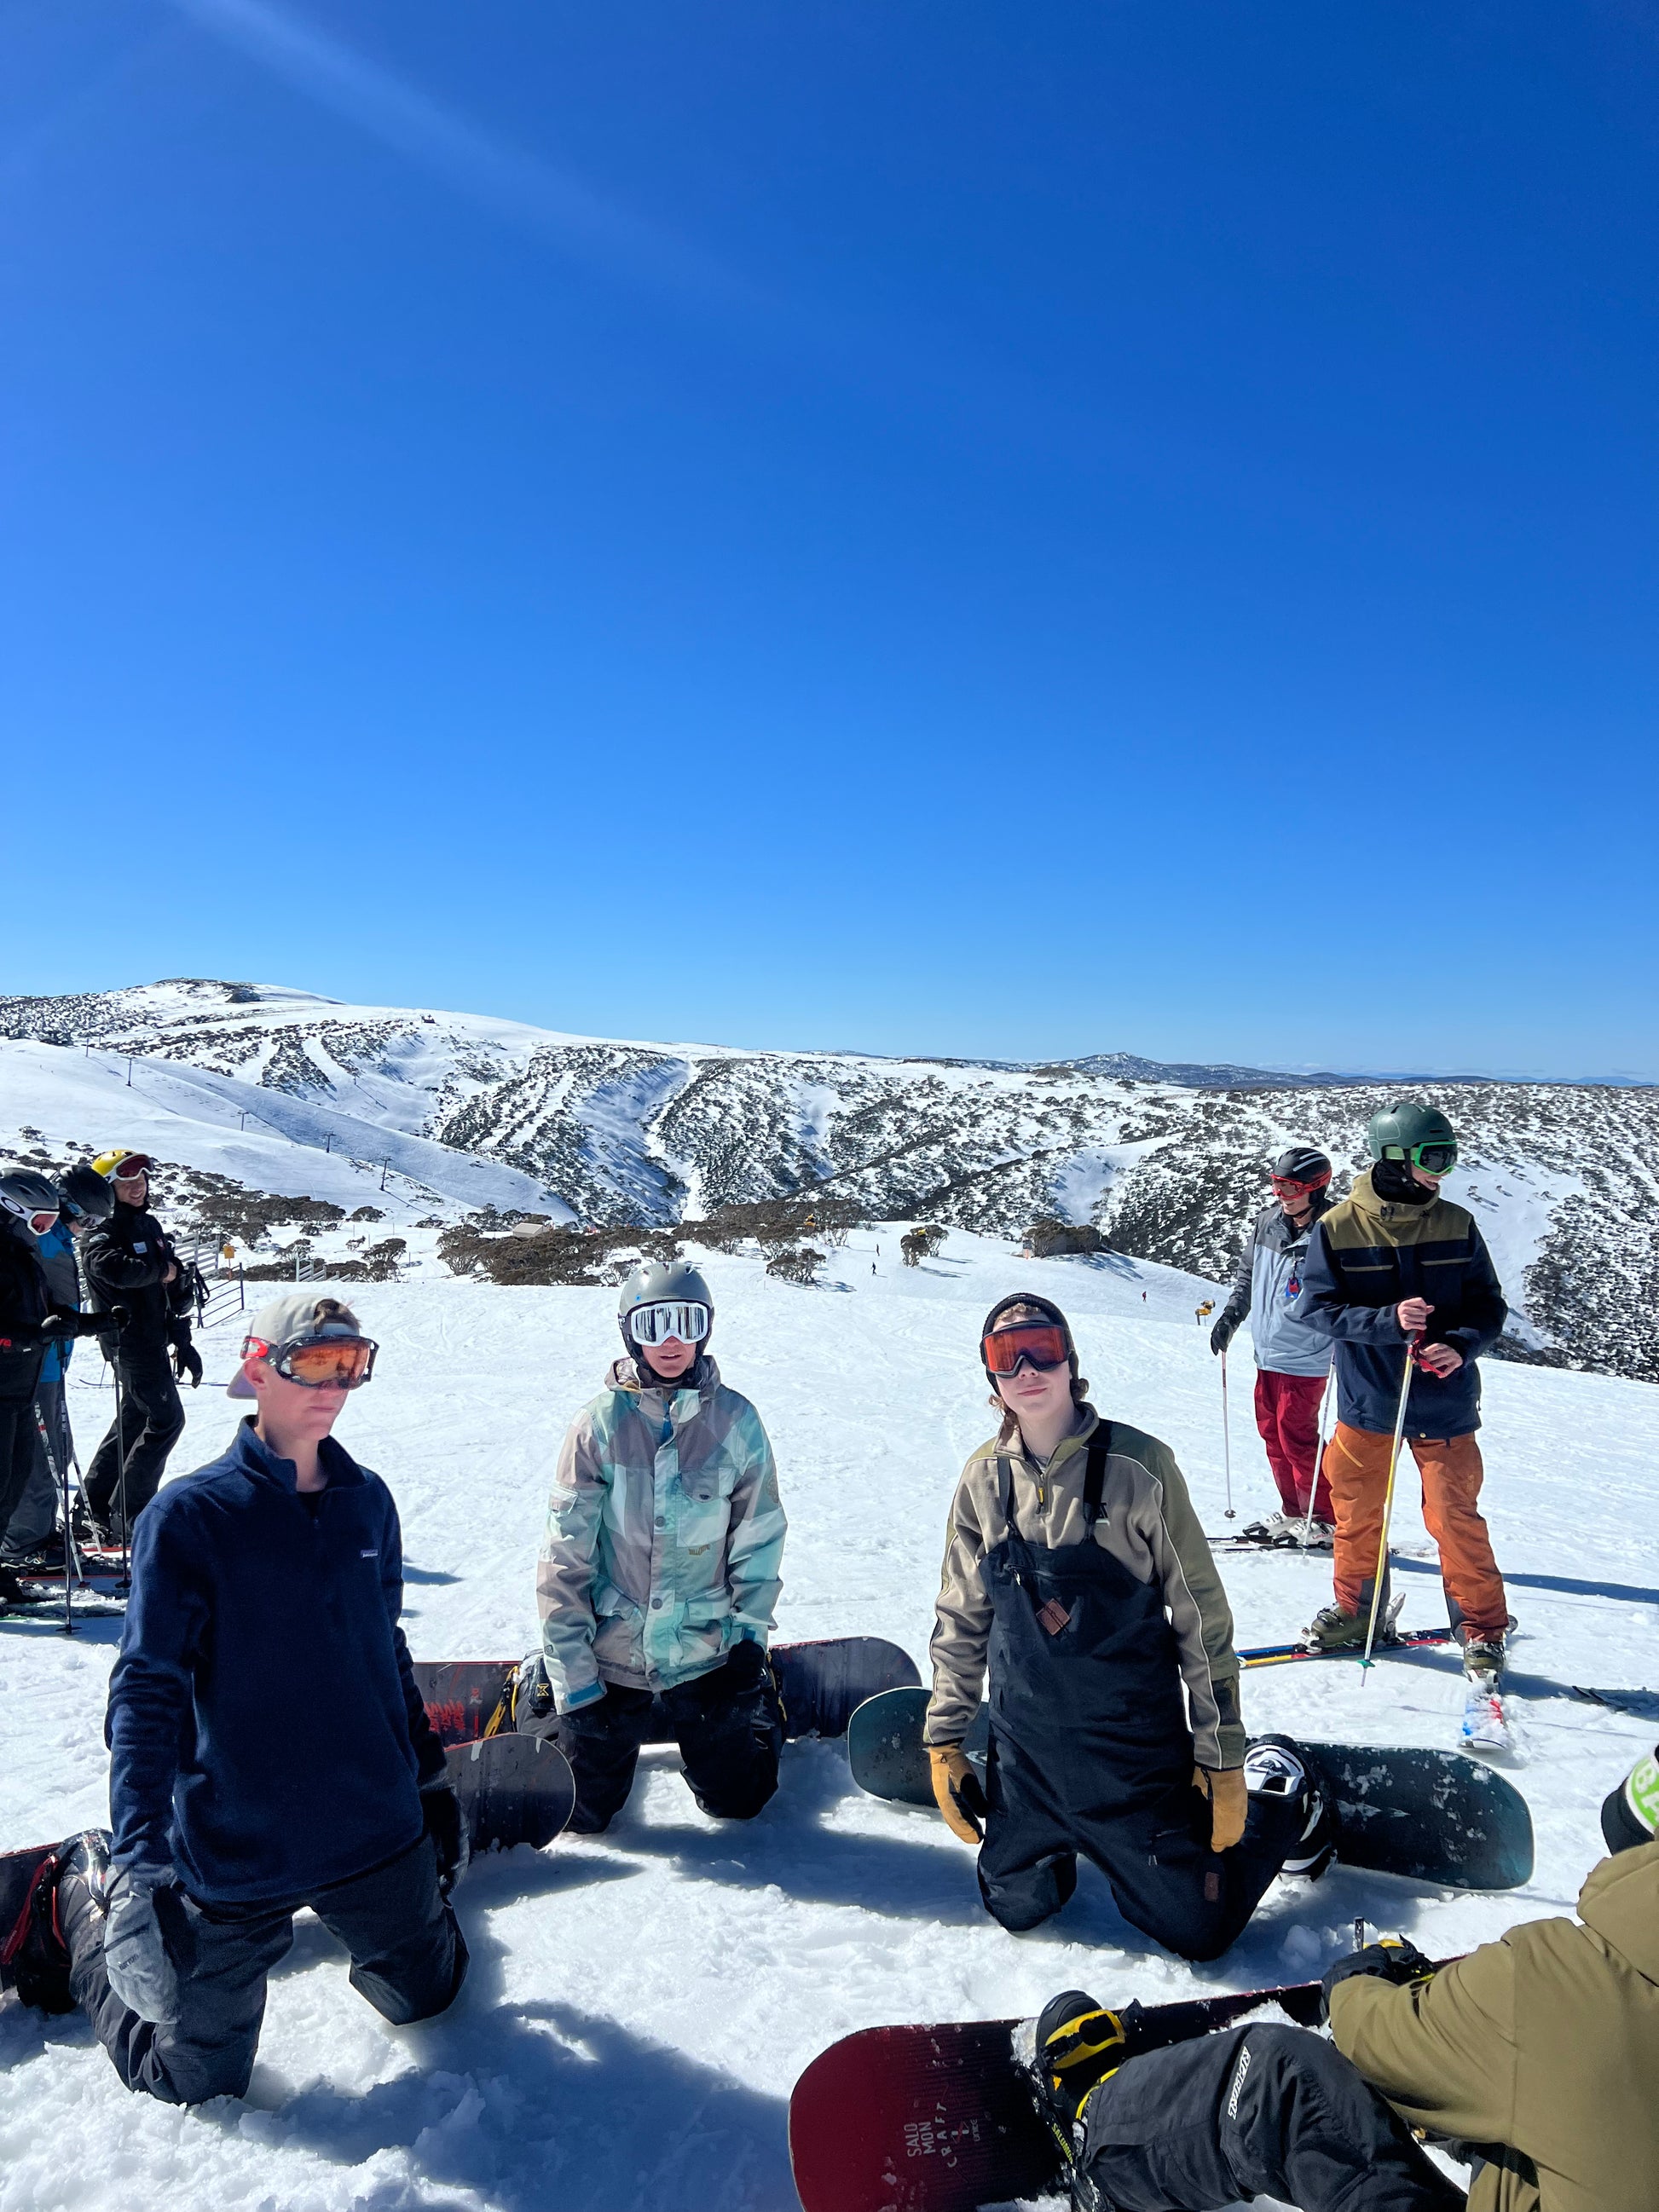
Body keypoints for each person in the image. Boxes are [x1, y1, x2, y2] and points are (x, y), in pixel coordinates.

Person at [3, 1293, 468, 2103]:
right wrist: (137, 1871)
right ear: (258, 1367)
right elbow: (147, 1692)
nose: (334, 1384)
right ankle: (82, 1890)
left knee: (429, 1998)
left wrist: (427, 1783)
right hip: (234, 1849)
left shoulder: (369, 1502)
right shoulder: (190, 1516)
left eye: (352, 1362)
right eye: (314, 1361)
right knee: (194, 2080)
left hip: (372, 1825)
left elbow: (383, 1649)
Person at [924, 1294, 1329, 1958]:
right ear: (991, 1379)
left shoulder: (1140, 1467)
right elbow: (961, 1616)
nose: (1027, 1368)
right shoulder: (982, 1479)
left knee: (1197, 1930)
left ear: (1070, 1358)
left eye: (1042, 1347)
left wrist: (1219, 1752)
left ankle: (1284, 1798)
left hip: (1132, 1759)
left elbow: (1201, 1616)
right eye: (1006, 1356)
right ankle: (1051, 1851)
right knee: (1017, 1907)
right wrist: (945, 1740)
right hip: (1028, 1759)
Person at [517, 1260, 788, 1833]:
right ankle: (537, 1687)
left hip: (703, 1648)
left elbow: (757, 1537)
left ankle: (767, 1702)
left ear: (705, 1330)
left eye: (685, 1323)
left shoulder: (736, 1422)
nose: (670, 1340)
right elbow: (564, 1558)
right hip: (613, 1649)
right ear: (629, 1332)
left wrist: (747, 1643)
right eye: (654, 1323)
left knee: (741, 1797)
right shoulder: (598, 1425)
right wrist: (576, 1680)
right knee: (582, 1811)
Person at [1290, 1103, 1509, 1678]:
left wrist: (1460, 1344)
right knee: (1357, 1513)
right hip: (1370, 1401)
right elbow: (1314, 1306)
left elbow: (1489, 1304)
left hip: (1445, 1401)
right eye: (1434, 1157)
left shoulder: (1457, 1223)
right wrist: (1386, 1321)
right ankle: (1357, 1613)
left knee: (1455, 1516)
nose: (1444, 1171)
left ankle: (1483, 1628)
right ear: (1395, 1158)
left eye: (1449, 1156)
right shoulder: (1338, 1227)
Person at [1209, 1145, 1338, 1549]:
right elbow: (1249, 1275)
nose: (1281, 1194)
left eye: (1291, 1186)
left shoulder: (1334, 1229)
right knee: (1272, 1433)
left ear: (1316, 1188)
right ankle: (1295, 1509)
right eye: (1277, 1184)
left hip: (1308, 1353)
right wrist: (1232, 1315)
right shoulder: (1268, 1222)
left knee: (1296, 1435)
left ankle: (1325, 1518)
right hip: (1267, 1350)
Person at [78, 1152, 201, 1543]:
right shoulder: (104, 1228)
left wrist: (182, 1337)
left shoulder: (148, 1223)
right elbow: (106, 1266)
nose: (139, 1184)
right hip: (128, 1341)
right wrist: (160, 1271)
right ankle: (128, 1518)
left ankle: (93, 1508)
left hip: (154, 1338)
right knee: (166, 1420)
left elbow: (170, 1287)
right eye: (126, 1179)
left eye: (143, 1177)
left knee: (133, 1420)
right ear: (107, 1187)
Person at [0, 1164, 113, 1574]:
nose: (89, 1228)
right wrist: (44, 1334)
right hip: (31, 1365)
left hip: (46, 1361)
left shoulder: (51, 1240)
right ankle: (25, 1542)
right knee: (34, 1459)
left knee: (50, 1454)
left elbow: (52, 1304)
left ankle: (33, 1532)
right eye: (88, 1218)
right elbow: (30, 1308)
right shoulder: (41, 1243)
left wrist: (86, 1325)